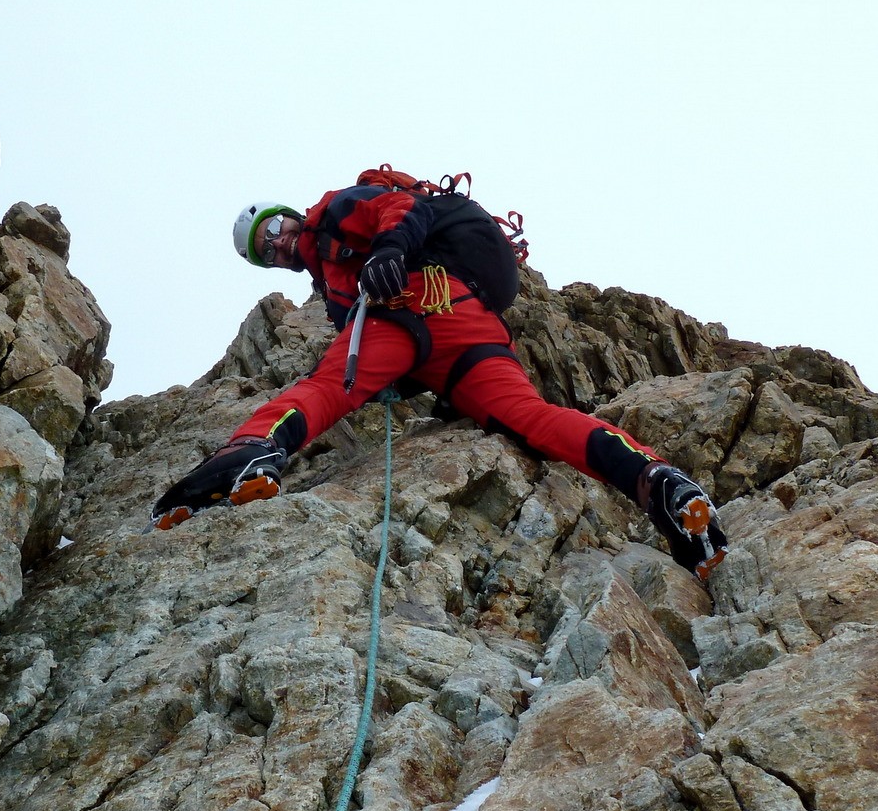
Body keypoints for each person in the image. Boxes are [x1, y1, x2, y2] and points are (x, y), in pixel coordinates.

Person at [150, 180, 728, 580]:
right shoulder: (330, 284)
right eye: (267, 254)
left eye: (273, 228)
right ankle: (656, 480)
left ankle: (248, 451)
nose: (277, 244)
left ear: (289, 213)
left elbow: (399, 209)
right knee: (528, 417)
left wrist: (390, 251)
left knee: (328, 387)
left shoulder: (332, 211)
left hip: (413, 306)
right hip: (461, 325)